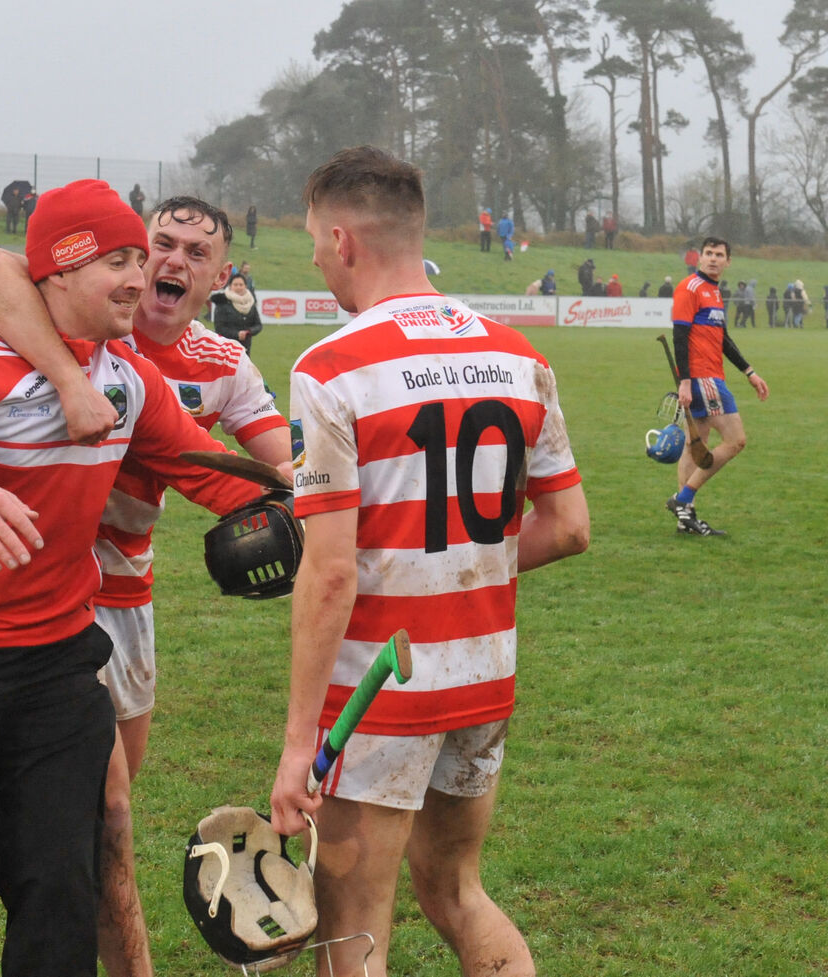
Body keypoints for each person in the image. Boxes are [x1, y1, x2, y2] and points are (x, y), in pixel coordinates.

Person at [0, 179, 264, 977]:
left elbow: (204, 466)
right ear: (58, 275)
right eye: (117, 261)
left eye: (143, 257)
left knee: (62, 886)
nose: (139, 277)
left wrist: (316, 507)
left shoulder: (127, 378)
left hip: (60, 662)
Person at [269, 145, 589, 977]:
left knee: (353, 924)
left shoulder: (329, 369)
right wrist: (462, 564)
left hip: (379, 688)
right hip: (482, 672)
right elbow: (569, 526)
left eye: (312, 240)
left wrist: (298, 743)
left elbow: (330, 573)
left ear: (343, 240)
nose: (314, 257)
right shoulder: (522, 355)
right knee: (456, 892)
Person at [0, 194, 291, 977]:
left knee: (100, 815)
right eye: (159, 244)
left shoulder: (221, 365)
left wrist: (333, 504)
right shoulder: (84, 314)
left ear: (219, 277)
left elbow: (281, 473)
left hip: (129, 598)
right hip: (40, 592)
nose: (170, 262)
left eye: (194, 253)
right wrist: (64, 377)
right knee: (106, 812)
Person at [665, 237, 769, 536]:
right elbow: (680, 336)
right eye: (708, 253)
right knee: (736, 440)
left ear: (728, 261)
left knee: (694, 446)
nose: (712, 258)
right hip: (703, 379)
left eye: (719, 254)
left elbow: (723, 339)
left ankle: (686, 520)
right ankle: (682, 500)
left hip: (709, 376)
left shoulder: (714, 292)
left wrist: (749, 372)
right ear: (699, 258)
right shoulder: (690, 288)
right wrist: (685, 381)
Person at [210, 272, 263, 354]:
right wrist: (237, 334)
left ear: (245, 286)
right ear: (230, 286)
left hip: (245, 349)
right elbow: (219, 328)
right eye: (235, 285)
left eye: (241, 285)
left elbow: (258, 325)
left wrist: (249, 331)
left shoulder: (250, 302)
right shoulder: (222, 302)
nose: (239, 287)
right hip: (225, 349)